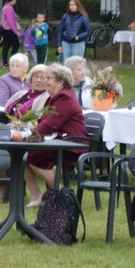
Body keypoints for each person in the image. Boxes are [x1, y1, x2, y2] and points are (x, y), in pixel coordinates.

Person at [24, 64, 87, 207]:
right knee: (22, 153)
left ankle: (62, 196)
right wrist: (28, 136)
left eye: (49, 78)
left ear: (60, 82)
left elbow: (50, 124)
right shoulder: (55, 96)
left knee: (34, 154)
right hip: (59, 140)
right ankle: (37, 196)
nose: (46, 81)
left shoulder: (64, 97)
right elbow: (43, 122)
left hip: (73, 143)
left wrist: (30, 138)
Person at [0, 0, 21, 67]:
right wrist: (16, 31)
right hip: (9, 29)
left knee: (6, 46)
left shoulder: (6, 7)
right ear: (13, 0)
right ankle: (11, 60)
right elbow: (11, 21)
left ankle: (5, 62)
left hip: (6, 29)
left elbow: (13, 16)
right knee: (16, 45)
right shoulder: (9, 8)